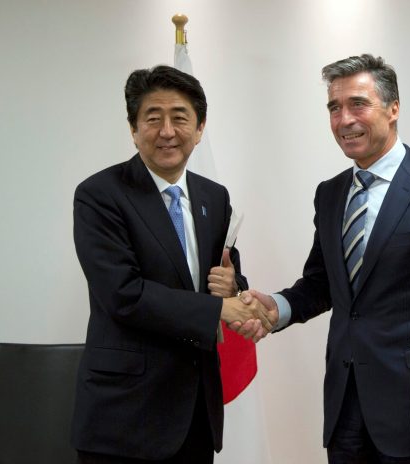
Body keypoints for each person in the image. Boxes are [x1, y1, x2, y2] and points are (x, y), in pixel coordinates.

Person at [241, 54, 410, 463]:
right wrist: (276, 307)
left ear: (394, 108)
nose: (344, 119)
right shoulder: (329, 194)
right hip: (345, 411)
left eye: (358, 104)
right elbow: (323, 284)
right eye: (334, 107)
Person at [70, 65, 273, 464]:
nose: (167, 131)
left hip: (196, 411)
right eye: (153, 118)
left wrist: (234, 290)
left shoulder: (214, 197)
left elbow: (226, 277)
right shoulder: (100, 195)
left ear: (199, 129)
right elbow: (123, 295)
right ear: (133, 128)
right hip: (124, 419)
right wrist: (219, 308)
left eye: (180, 117)